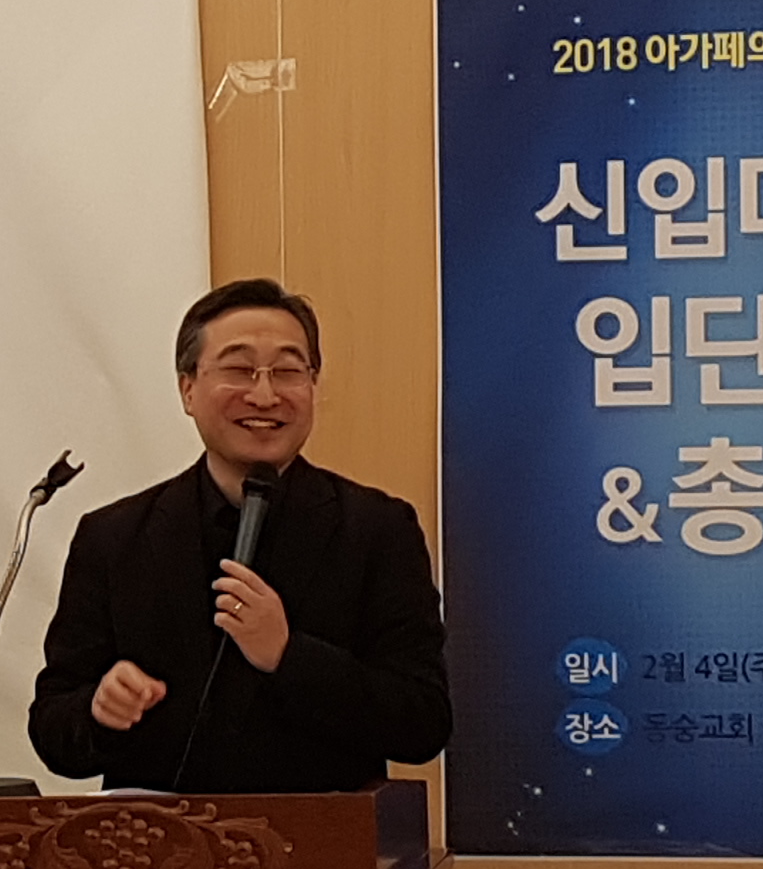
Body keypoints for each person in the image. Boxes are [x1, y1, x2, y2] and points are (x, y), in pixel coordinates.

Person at [27, 278, 449, 792]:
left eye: (288, 371)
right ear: (187, 388)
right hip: (156, 839)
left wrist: (288, 654)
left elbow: (423, 722)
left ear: (313, 385)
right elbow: (53, 730)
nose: (265, 395)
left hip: (323, 838)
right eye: (239, 370)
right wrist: (98, 710)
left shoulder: (377, 530)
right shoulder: (113, 538)